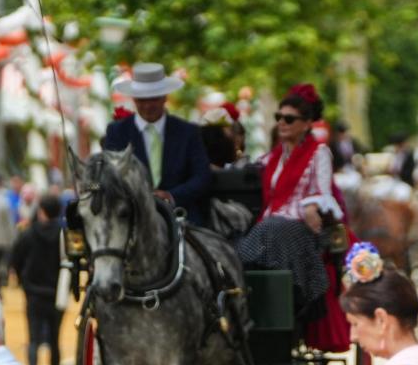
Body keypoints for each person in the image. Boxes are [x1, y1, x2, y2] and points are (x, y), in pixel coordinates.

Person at [238, 84, 347, 345]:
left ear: (307, 123)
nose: (282, 123)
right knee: (246, 235)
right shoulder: (273, 157)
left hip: (302, 229)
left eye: (289, 119)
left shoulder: (318, 153)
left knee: (271, 229)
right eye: (279, 118)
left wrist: (310, 205)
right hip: (272, 228)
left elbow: (322, 192)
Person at [103, 62, 214, 226]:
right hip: (132, 220)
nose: (148, 105)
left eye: (153, 99)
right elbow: (110, 176)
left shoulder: (188, 132)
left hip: (183, 218)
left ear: (165, 97)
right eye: (142, 100)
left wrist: (171, 196)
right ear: (134, 99)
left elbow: (202, 176)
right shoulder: (117, 132)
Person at [8, 195, 66, 365]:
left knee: (33, 339)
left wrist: (22, 280)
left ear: (41, 210)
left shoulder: (29, 233)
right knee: (55, 340)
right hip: (56, 293)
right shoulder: (63, 235)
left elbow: (15, 257)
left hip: (33, 292)